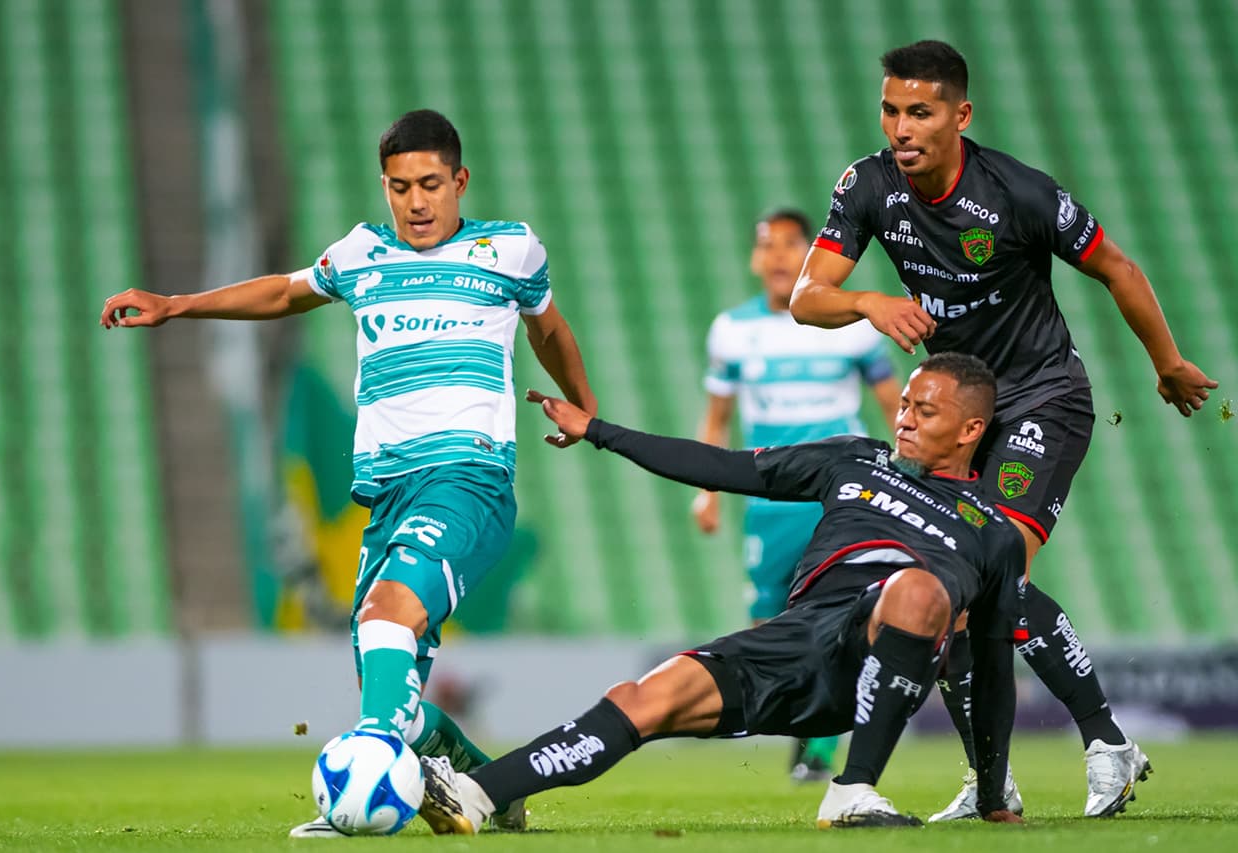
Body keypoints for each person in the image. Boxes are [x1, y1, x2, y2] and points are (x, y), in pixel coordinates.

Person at [99, 109, 598, 836]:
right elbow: (284, 291)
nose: (416, 202)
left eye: (430, 184)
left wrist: (587, 410)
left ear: (460, 181)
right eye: (400, 187)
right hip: (388, 495)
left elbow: (547, 327)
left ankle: (356, 800)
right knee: (389, 691)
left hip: (467, 479)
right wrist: (177, 305)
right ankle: (486, 784)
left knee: (388, 614)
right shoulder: (361, 253)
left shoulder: (510, 250)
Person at [789, 40, 1218, 818]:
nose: (901, 128)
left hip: (1041, 400)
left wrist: (1168, 362)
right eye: (891, 110)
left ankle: (1107, 743)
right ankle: (992, 778)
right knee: (953, 593)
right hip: (959, 418)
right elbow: (807, 296)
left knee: (989, 574)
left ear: (961, 115)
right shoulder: (868, 185)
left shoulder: (1018, 192)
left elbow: (1117, 267)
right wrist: (868, 302)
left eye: (920, 112)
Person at [416, 353, 1027, 833]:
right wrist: (598, 431)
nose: (904, 419)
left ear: (971, 429)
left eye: (925, 412)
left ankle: (853, 788)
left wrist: (992, 790)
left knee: (916, 590)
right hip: (794, 640)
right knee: (640, 699)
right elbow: (723, 467)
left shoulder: (994, 534)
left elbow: (993, 667)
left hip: (870, 661)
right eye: (905, 405)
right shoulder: (856, 459)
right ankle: (479, 793)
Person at [693, 208, 901, 781]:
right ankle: (804, 724)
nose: (779, 255)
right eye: (769, 244)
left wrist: (912, 473)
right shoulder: (733, 330)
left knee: (840, 612)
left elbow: (892, 403)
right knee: (767, 621)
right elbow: (717, 418)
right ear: (755, 259)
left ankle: (821, 747)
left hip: (840, 493)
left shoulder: (851, 325)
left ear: (811, 254)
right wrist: (707, 491)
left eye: (791, 244)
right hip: (770, 497)